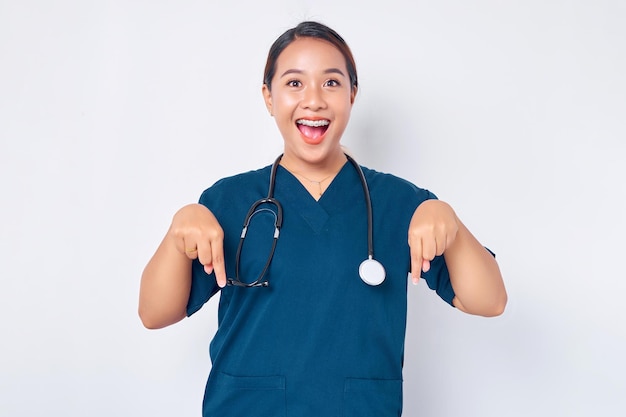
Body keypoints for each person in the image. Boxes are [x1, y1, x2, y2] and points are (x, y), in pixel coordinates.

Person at [139, 20, 507, 417]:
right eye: (294, 83)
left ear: (352, 94)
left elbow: (490, 301)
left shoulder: (401, 205)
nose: (313, 100)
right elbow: (154, 313)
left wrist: (449, 223)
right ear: (268, 97)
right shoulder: (227, 202)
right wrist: (179, 230)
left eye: (331, 83)